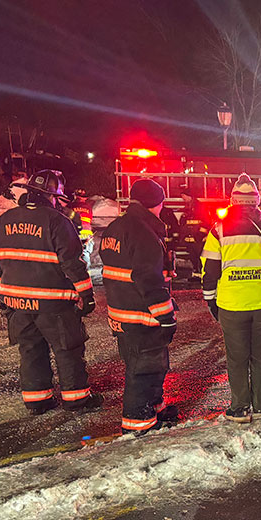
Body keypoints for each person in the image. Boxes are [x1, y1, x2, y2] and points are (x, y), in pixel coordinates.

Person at [0, 170, 101, 414]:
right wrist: (86, 295)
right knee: (67, 349)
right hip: (53, 303)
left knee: (30, 350)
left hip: (17, 303)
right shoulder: (57, 221)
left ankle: (38, 400)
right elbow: (72, 263)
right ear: (52, 196)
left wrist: (1, 289)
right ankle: (76, 399)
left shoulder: (5, 220)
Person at [202, 176, 261, 422]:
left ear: (232, 201)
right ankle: (260, 408)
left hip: (232, 304)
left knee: (237, 356)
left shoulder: (218, 230)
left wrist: (211, 300)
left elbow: (210, 270)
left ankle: (240, 408)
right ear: (257, 201)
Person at [100, 178, 177, 434]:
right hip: (141, 317)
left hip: (122, 312)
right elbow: (148, 281)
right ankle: (137, 423)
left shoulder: (115, 228)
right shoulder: (144, 234)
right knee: (143, 370)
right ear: (155, 203)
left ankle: (154, 407)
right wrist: (166, 315)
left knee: (151, 365)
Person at [178, 189, 208, 283]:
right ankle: (196, 275)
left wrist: (200, 235)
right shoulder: (187, 208)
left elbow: (206, 222)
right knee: (193, 258)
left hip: (198, 239)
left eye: (184, 197)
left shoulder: (200, 207)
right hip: (190, 239)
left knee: (200, 257)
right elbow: (185, 224)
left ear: (189, 195)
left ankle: (202, 275)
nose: (183, 199)